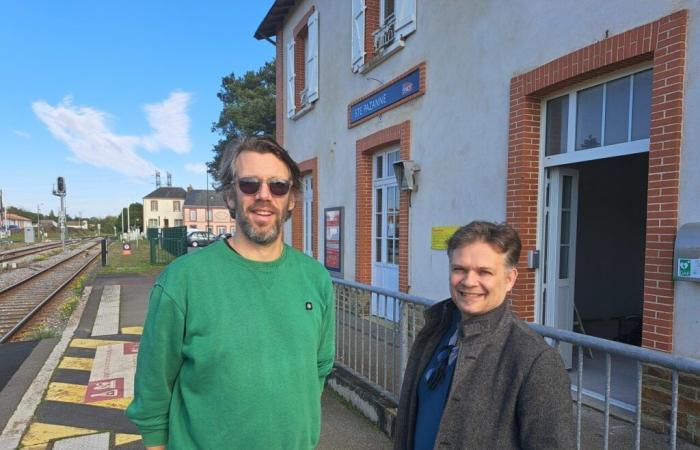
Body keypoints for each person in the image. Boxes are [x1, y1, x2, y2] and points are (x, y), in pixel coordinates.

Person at [126, 137, 335, 449]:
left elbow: (319, 367)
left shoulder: (315, 278)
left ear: (291, 199)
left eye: (278, 186)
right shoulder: (183, 280)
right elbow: (153, 387)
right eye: (250, 184)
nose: (264, 195)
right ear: (230, 196)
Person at [394, 221, 574, 449]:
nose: (469, 281)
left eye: (484, 272)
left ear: (510, 279)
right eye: (459, 269)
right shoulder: (436, 330)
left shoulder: (535, 361)